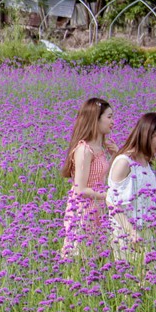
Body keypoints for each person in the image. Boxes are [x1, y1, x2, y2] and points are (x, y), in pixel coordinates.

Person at [106, 111, 156, 265]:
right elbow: (112, 202)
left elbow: (137, 196)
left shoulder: (146, 164)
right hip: (127, 236)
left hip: (146, 232)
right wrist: (131, 232)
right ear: (146, 134)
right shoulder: (124, 162)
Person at [59, 97, 114, 260]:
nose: (113, 121)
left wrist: (116, 155)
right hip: (83, 212)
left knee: (98, 258)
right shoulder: (84, 150)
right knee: (80, 258)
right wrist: (108, 196)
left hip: (97, 208)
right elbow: (80, 189)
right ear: (95, 119)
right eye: (109, 117)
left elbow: (102, 176)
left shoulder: (100, 148)